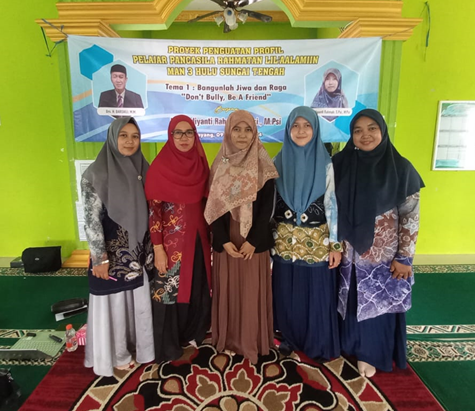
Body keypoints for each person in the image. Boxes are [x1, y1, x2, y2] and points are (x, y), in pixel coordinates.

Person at [333, 108, 425, 378]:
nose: (365, 135)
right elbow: (330, 207)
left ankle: (371, 353)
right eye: (358, 130)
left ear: (382, 131)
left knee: (378, 304)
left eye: (372, 128)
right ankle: (350, 346)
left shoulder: (401, 168)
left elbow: (410, 216)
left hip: (384, 258)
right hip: (348, 254)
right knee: (350, 301)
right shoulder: (341, 164)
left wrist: (405, 257)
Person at [204, 110, 279, 364]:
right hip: (228, 240)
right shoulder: (219, 164)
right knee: (228, 290)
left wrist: (253, 241)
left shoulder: (263, 165)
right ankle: (228, 339)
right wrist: (223, 240)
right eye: (237, 129)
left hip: (252, 242)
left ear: (255, 133)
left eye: (248, 130)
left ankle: (251, 340)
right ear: (228, 131)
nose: (242, 135)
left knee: (250, 291)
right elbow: (213, 208)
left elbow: (267, 208)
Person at [81, 116, 154, 377]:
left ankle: (140, 347)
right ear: (113, 138)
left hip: (139, 253)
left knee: (138, 303)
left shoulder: (144, 168)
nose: (130, 141)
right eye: (123, 135)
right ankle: (117, 353)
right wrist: (99, 258)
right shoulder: (95, 174)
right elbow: (91, 221)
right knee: (115, 306)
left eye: (135, 136)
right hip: (111, 255)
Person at [272, 106, 342, 362]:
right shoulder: (277, 162)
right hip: (283, 243)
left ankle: (316, 342)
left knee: (315, 294)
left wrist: (335, 245)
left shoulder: (326, 164)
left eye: (307, 125)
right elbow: (270, 205)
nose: (300, 131)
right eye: (295, 125)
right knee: (286, 293)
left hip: (316, 243)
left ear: (315, 129)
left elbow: (332, 205)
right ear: (288, 129)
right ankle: (288, 338)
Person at [145, 115, 211, 363]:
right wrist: (158, 248)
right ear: (170, 135)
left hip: (199, 240)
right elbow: (154, 212)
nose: (184, 138)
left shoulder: (201, 164)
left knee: (197, 287)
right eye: (178, 133)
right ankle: (167, 345)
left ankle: (193, 333)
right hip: (172, 244)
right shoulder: (159, 168)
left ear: (195, 135)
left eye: (189, 132)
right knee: (168, 291)